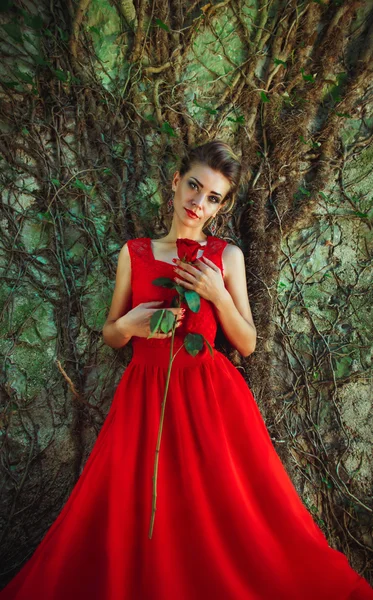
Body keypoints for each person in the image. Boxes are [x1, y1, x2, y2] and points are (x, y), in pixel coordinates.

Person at [1, 140, 372, 600]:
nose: (199, 203)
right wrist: (130, 325)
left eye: (213, 197)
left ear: (221, 206)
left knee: (225, 514)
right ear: (176, 184)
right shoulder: (133, 253)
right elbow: (111, 334)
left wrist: (217, 294)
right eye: (194, 187)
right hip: (144, 397)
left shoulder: (226, 257)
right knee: (136, 511)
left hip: (209, 400)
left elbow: (248, 344)